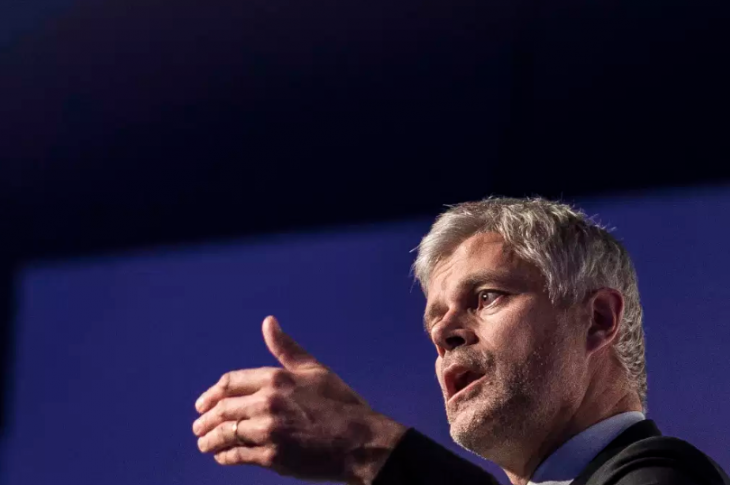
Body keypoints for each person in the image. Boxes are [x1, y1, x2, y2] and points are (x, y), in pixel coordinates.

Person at [191, 197, 729, 485]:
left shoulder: (664, 478)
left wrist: (370, 448)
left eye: (487, 297)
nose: (445, 333)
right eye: (434, 322)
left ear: (597, 321)